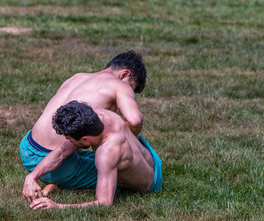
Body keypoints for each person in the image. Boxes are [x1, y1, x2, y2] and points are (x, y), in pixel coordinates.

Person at [20, 51, 147, 203]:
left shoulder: (77, 76)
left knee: (101, 155)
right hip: (55, 161)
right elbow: (134, 121)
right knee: (128, 172)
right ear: (125, 74)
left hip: (28, 148)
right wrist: (133, 141)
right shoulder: (119, 85)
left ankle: (65, 181)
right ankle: (67, 184)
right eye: (131, 87)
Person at [29, 101, 162, 209]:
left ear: (86, 139)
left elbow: (104, 204)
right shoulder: (100, 115)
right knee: (81, 158)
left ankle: (68, 189)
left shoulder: (106, 154)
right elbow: (62, 152)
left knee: (92, 170)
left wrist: (57, 206)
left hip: (149, 185)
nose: (68, 141)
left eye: (70, 139)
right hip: (153, 160)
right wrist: (32, 177)